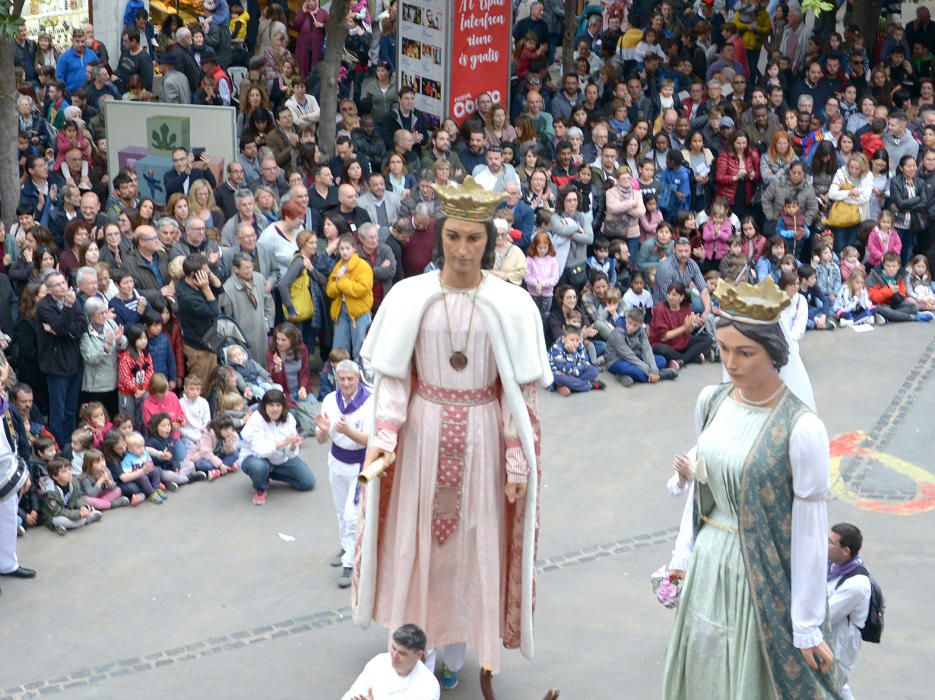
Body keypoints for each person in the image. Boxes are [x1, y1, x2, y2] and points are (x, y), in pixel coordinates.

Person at [355, 175, 553, 695]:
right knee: (417, 541)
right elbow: (395, 378)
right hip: (423, 434)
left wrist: (516, 460)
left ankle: (458, 652)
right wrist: (386, 436)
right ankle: (416, 646)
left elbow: (518, 394)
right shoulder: (408, 296)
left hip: (484, 437)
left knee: (473, 546)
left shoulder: (511, 304)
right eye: (453, 237)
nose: (462, 249)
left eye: (474, 239)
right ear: (439, 237)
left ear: (489, 242)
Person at [663, 276, 837, 698]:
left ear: (776, 355)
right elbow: (701, 490)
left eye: (745, 352)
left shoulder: (802, 429)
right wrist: (682, 554)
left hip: (758, 573)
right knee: (706, 669)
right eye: (724, 350)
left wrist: (807, 623)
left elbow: (810, 532)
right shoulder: (712, 401)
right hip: (709, 566)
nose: (732, 363)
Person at [315, 359, 372, 589]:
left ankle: (350, 564)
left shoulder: (370, 401)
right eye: (342, 379)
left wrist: (347, 430)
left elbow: (371, 440)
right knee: (341, 512)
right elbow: (320, 439)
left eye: (350, 379)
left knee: (352, 516)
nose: (346, 383)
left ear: (358, 379)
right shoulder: (330, 400)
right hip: (337, 462)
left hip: (360, 464)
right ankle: (346, 546)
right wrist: (323, 428)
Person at [36, 272, 87, 448]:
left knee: (71, 409)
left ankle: (71, 443)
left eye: (63, 282)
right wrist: (67, 308)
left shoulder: (72, 299)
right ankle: (58, 445)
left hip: (74, 361)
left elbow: (82, 325)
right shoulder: (44, 306)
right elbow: (62, 326)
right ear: (49, 290)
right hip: (56, 365)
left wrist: (63, 331)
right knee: (58, 410)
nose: (63, 286)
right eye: (57, 285)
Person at [239, 389, 315, 505]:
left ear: (283, 406)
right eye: (271, 405)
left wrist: (293, 446)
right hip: (255, 458)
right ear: (264, 406)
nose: (275, 409)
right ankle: (261, 488)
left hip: (280, 459)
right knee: (259, 467)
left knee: (308, 482)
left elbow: (290, 454)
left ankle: (269, 473)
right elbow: (260, 451)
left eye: (278, 405)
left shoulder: (289, 419)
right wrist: (284, 442)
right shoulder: (256, 419)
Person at [0, 348, 36, 584]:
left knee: (8, 516)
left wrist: (24, 474)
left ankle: (7, 563)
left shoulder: (7, 408)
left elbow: (18, 443)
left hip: (6, 469)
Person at [828, 522, 872, 700]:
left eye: (830, 542)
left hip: (839, 650)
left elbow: (826, 615)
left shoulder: (856, 586)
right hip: (831, 645)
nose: (825, 545)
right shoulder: (833, 567)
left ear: (846, 551)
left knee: (832, 687)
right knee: (839, 688)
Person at [341, 623, 440, 700]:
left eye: (402, 653)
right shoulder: (379, 662)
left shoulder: (428, 687)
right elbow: (353, 693)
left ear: (418, 655)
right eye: (393, 648)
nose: (394, 656)